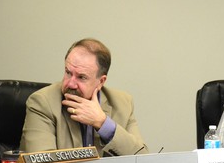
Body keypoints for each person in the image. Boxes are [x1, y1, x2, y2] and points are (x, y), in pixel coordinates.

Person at [20, 38, 149, 156]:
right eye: (68, 72)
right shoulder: (42, 103)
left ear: (101, 81)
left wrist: (103, 123)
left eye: (81, 77)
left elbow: (142, 160)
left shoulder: (123, 103)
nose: (70, 83)